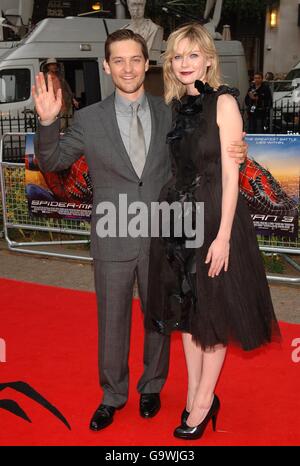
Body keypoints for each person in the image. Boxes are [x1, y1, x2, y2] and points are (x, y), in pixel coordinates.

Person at [32, 29, 247, 432]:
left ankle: (152, 386)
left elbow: (204, 149)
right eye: (119, 60)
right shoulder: (89, 119)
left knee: (161, 317)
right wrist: (46, 122)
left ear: (146, 64)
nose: (128, 68)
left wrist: (239, 147)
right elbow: (54, 160)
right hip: (112, 233)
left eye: (135, 59)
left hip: (164, 233)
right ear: (106, 66)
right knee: (111, 320)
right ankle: (113, 395)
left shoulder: (171, 109)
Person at [145, 23, 280, 440]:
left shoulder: (223, 103)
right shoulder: (175, 107)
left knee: (214, 311)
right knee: (187, 313)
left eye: (192, 55)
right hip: (177, 219)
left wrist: (222, 237)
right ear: (171, 63)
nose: (185, 63)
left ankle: (204, 402)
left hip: (214, 219)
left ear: (208, 58)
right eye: (177, 56)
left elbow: (230, 174)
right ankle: (193, 392)